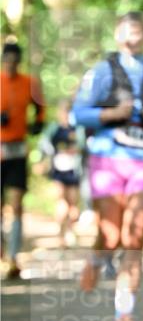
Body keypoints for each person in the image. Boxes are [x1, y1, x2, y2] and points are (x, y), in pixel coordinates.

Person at [72, 12, 143, 321]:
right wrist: (109, 113)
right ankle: (96, 259)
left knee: (135, 238)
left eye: (138, 31)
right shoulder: (102, 71)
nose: (132, 37)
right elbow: (78, 113)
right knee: (112, 236)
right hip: (107, 158)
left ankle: (124, 314)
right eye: (126, 31)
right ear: (118, 35)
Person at [0, 41, 45, 279]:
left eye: (15, 62)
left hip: (17, 149)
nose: (11, 66)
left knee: (16, 204)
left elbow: (41, 106)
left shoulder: (29, 83)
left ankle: (14, 257)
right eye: (8, 61)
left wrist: (38, 123)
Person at [37, 98, 85, 248]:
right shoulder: (54, 128)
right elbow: (43, 144)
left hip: (74, 170)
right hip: (58, 170)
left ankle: (70, 231)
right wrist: (42, 160)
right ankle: (61, 235)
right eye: (63, 110)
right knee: (62, 203)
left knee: (73, 205)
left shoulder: (77, 128)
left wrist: (76, 150)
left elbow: (83, 146)